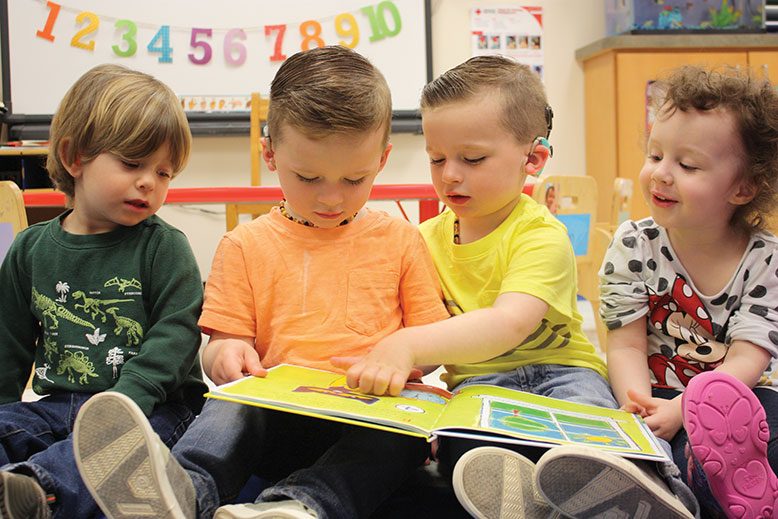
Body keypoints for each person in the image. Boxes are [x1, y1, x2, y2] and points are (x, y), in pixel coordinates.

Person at [72, 45, 450, 519]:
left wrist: (405, 355)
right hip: (274, 419)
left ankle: (296, 508)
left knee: (405, 438)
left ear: (383, 158)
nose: (331, 198)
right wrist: (225, 355)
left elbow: (434, 344)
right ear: (269, 152)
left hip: (368, 418)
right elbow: (221, 346)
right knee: (230, 408)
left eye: (355, 178)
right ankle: (181, 495)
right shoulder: (245, 245)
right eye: (308, 176)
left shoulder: (400, 239)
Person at [334, 55, 699, 519]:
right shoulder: (421, 241)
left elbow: (509, 323)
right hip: (479, 385)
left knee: (600, 444)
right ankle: (537, 504)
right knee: (465, 454)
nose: (449, 175)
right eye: (436, 158)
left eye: (472, 159)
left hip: (562, 373)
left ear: (534, 158)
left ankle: (663, 494)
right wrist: (379, 358)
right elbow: (424, 337)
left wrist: (404, 344)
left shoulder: (540, 233)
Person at [0, 63, 206, 518]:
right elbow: (9, 342)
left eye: (165, 172)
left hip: (152, 409)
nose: (149, 181)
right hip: (57, 405)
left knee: (107, 454)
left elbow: (176, 336)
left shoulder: (164, 247)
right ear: (75, 158)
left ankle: (38, 491)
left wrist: (125, 403)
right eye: (132, 163)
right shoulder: (30, 249)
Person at [600, 64, 778, 518]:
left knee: (769, 431)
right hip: (652, 390)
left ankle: (708, 485)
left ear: (743, 188)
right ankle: (667, 482)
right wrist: (636, 407)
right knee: (615, 439)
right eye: (655, 155)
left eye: (687, 164)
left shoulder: (766, 259)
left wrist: (687, 408)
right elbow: (625, 344)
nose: (660, 174)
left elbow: (747, 359)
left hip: (739, 398)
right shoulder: (633, 243)